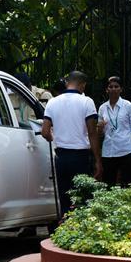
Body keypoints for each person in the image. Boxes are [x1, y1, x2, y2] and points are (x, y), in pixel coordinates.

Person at [41, 71, 102, 216]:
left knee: (64, 195)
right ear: (82, 84)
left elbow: (44, 131)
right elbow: (92, 132)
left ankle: (65, 225)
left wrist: (52, 138)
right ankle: (81, 229)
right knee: (83, 196)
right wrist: (98, 160)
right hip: (81, 157)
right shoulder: (87, 101)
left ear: (67, 82)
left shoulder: (52, 102)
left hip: (61, 156)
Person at [97, 76, 131, 186]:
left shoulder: (128, 106)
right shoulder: (102, 108)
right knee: (108, 185)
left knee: (128, 185)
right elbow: (100, 134)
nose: (113, 89)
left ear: (121, 89)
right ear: (107, 90)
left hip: (126, 149)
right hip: (108, 151)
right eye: (110, 87)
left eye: (116, 86)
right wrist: (100, 128)